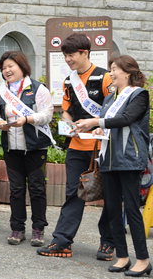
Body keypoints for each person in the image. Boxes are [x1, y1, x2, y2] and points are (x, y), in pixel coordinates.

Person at [37, 33, 114, 260]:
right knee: (73, 193)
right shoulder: (69, 80)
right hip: (77, 147)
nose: (68, 60)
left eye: (71, 55)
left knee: (110, 194)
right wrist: (69, 123)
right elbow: (67, 108)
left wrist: (99, 127)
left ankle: (108, 243)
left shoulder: (104, 78)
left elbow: (113, 111)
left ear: (84, 53)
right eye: (65, 56)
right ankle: (62, 241)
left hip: (103, 147)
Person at [74, 55, 150, 276]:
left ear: (127, 72)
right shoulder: (110, 98)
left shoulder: (139, 95)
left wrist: (96, 122)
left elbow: (127, 119)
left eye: (114, 69)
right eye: (110, 69)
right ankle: (123, 256)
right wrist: (99, 129)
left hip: (129, 159)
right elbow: (109, 124)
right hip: (108, 159)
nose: (111, 74)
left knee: (132, 210)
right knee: (113, 210)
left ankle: (143, 259)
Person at [0, 51, 53, 247]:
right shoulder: (1, 91)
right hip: (12, 147)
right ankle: (17, 227)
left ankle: (38, 228)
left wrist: (28, 119)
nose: (7, 70)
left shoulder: (37, 89)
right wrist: (0, 122)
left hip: (35, 147)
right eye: (4, 68)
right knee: (16, 190)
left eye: (11, 66)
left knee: (36, 188)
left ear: (22, 66)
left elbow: (47, 115)